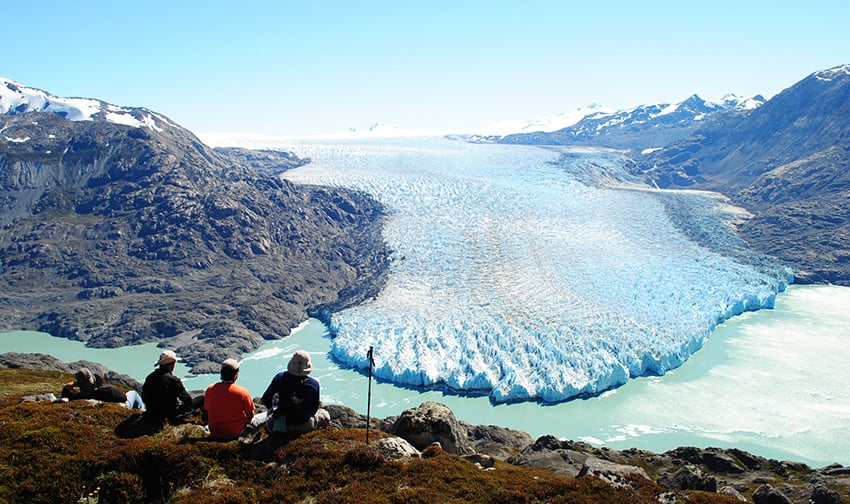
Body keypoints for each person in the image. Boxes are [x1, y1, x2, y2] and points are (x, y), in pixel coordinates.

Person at [253, 350, 330, 435]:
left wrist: (275, 411)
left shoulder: (280, 378)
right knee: (325, 414)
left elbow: (267, 399)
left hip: (281, 427)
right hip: (306, 425)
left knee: (265, 417)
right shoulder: (314, 384)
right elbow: (314, 407)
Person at [203, 358, 255, 439]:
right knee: (261, 418)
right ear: (236, 376)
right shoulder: (242, 392)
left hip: (214, 431)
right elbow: (251, 415)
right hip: (235, 432)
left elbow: (207, 409)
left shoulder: (210, 389)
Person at [141, 350, 196, 426]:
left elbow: (144, 397)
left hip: (151, 414)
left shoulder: (150, 377)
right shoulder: (173, 380)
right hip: (170, 416)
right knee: (201, 399)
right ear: (172, 365)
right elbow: (187, 400)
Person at [62, 367, 145, 409]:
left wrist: (75, 384)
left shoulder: (79, 396)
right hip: (123, 406)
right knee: (133, 393)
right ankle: (142, 410)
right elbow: (124, 398)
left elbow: (66, 392)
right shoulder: (109, 390)